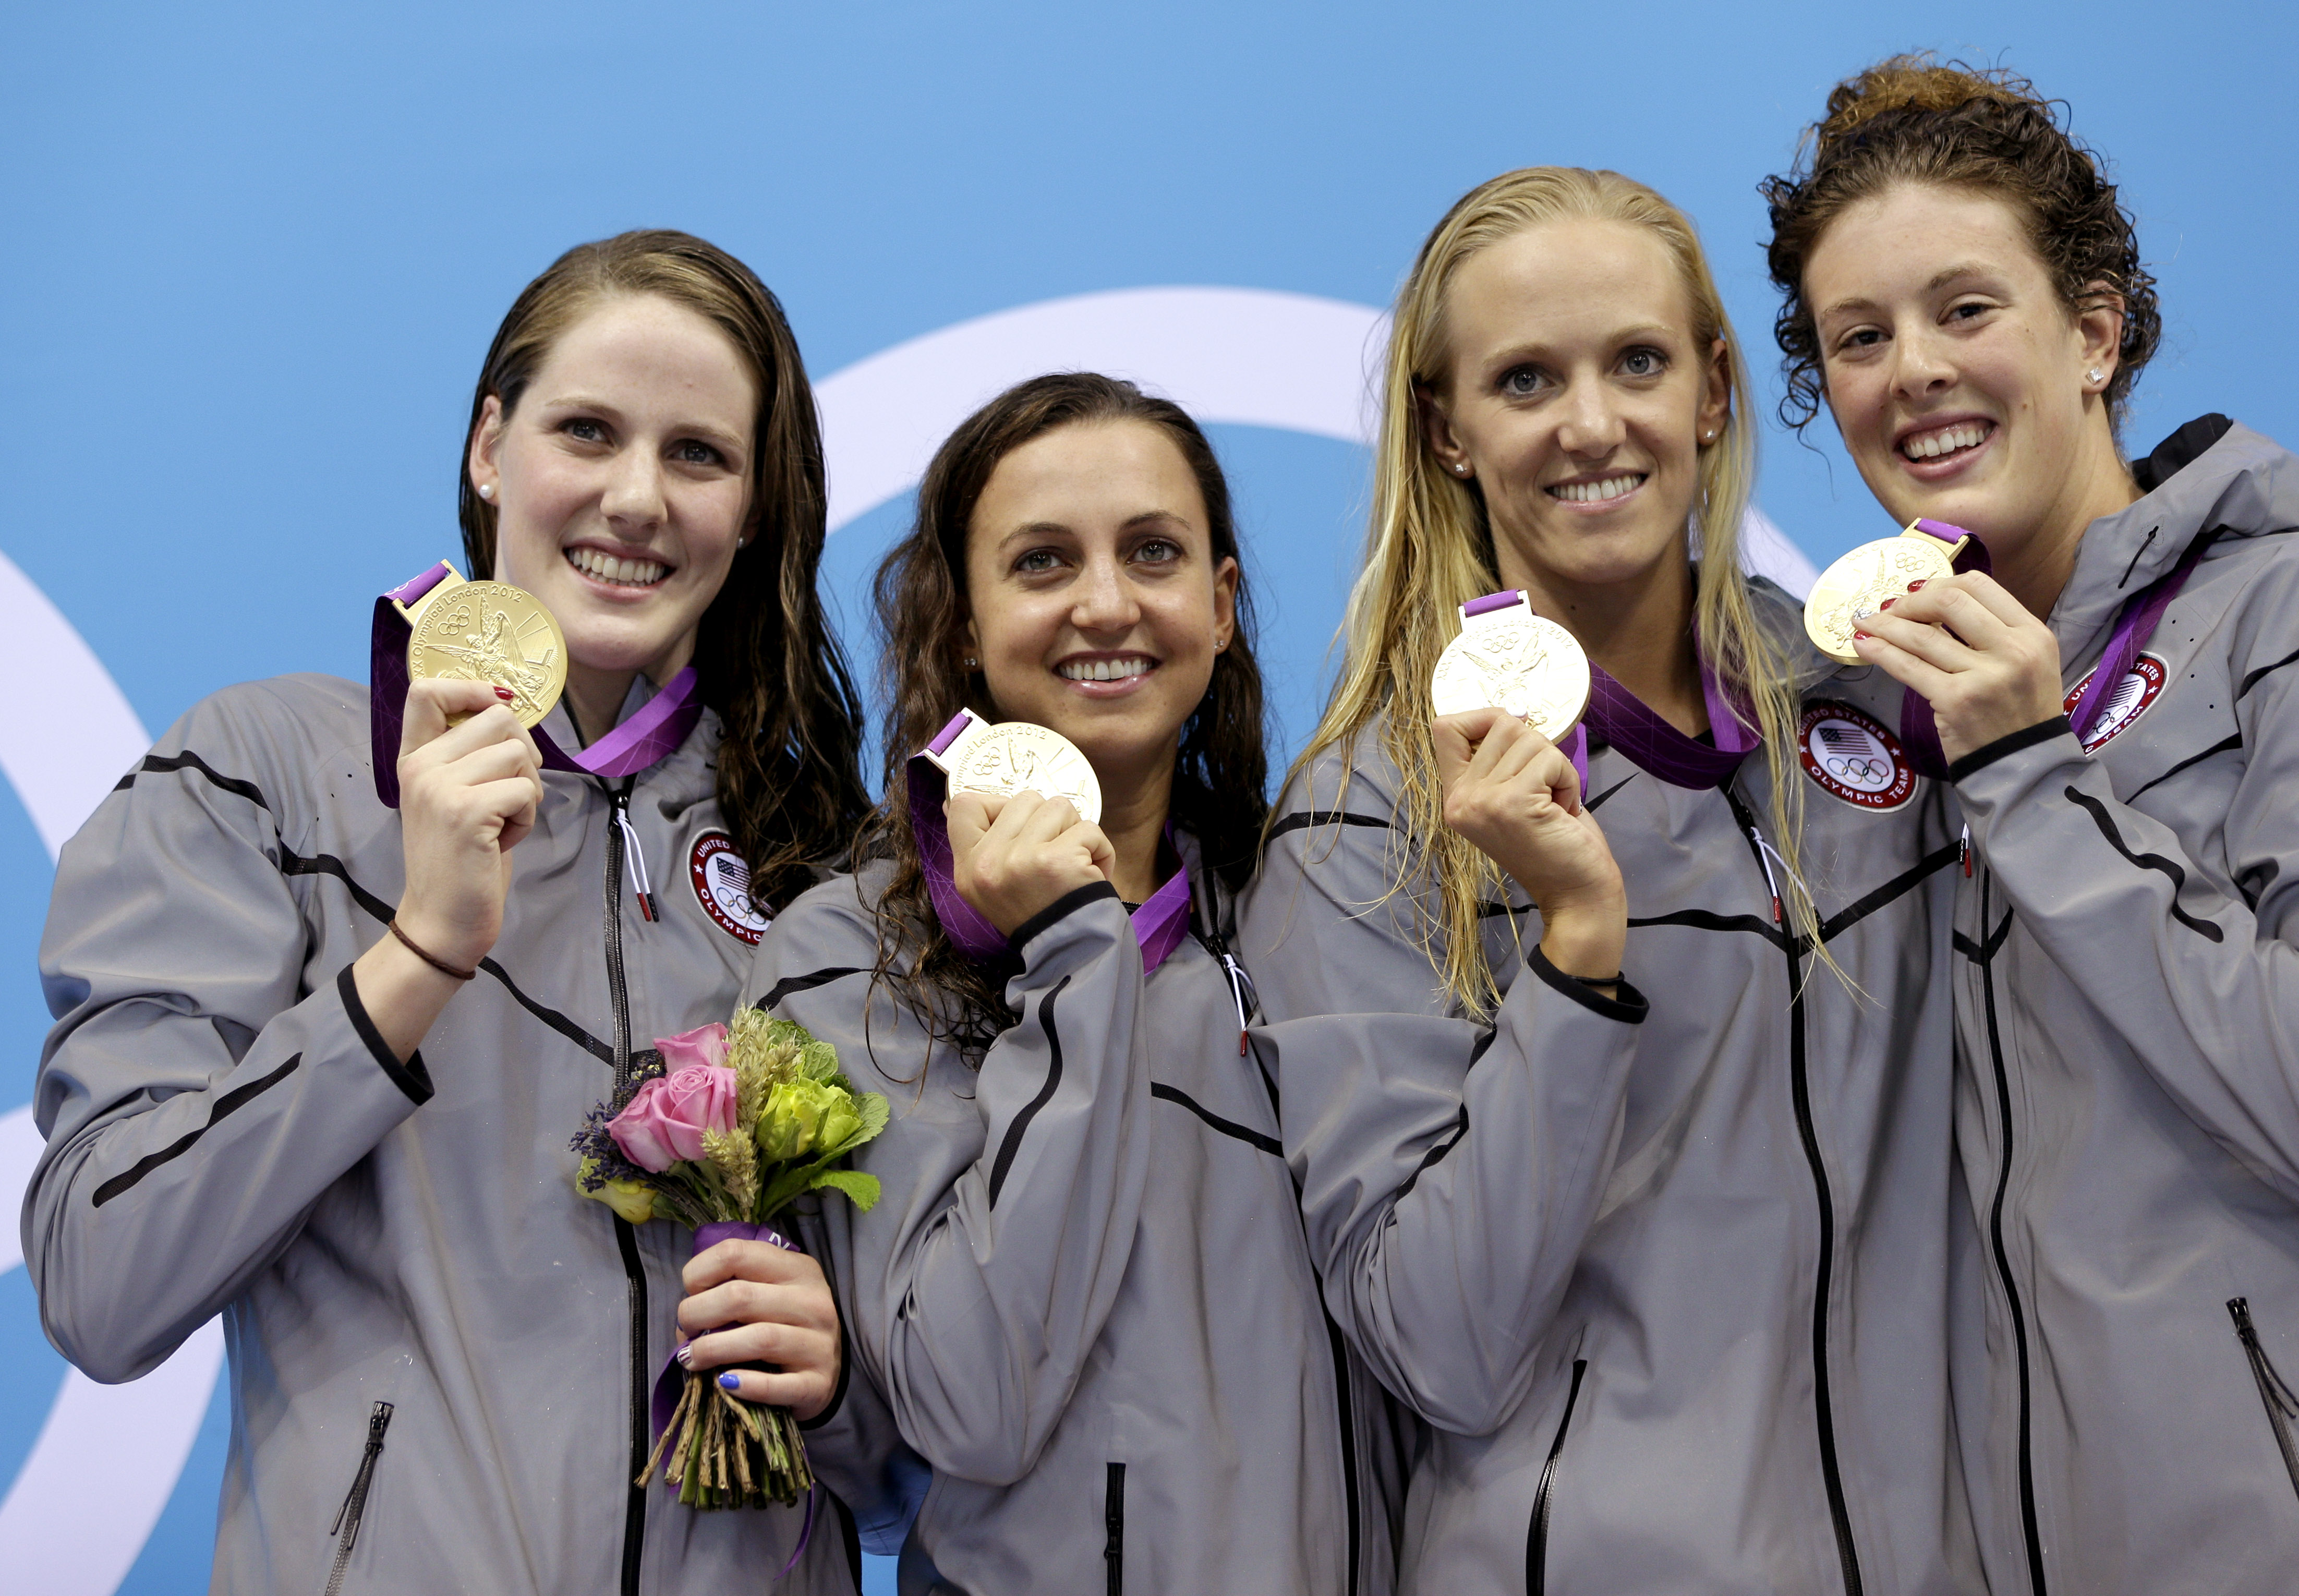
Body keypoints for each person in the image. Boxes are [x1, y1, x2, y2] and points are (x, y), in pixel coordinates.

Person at [25, 231, 870, 1593]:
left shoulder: (818, 856)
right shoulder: (265, 771)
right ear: (491, 447)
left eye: (700, 455)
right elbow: (101, 1276)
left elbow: (921, 1455)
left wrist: (840, 1382)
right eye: (586, 431)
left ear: (759, 505)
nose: (637, 497)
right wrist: (415, 956)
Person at [1241, 167, 1978, 1593]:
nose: (1593, 424)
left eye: (1636, 361)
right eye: (1526, 379)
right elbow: (1436, 1339)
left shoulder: (1882, 702)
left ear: (1712, 389)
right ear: (1448, 429)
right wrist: (1580, 954)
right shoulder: (1370, 819)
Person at [1764, 57, 2299, 1595]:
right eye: (1859, 337)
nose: (1912, 369)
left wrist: (2032, 774)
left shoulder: (2273, 615)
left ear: (2095, 332)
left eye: (1966, 309)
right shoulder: (1864, 709)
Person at [745, 372, 1401, 1593]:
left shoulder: (1309, 923)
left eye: (1151, 554)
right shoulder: (843, 961)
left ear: (1218, 606)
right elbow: (969, 1404)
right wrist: (1075, 950)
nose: (1106, 605)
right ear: (958, 624)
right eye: (1043, 563)